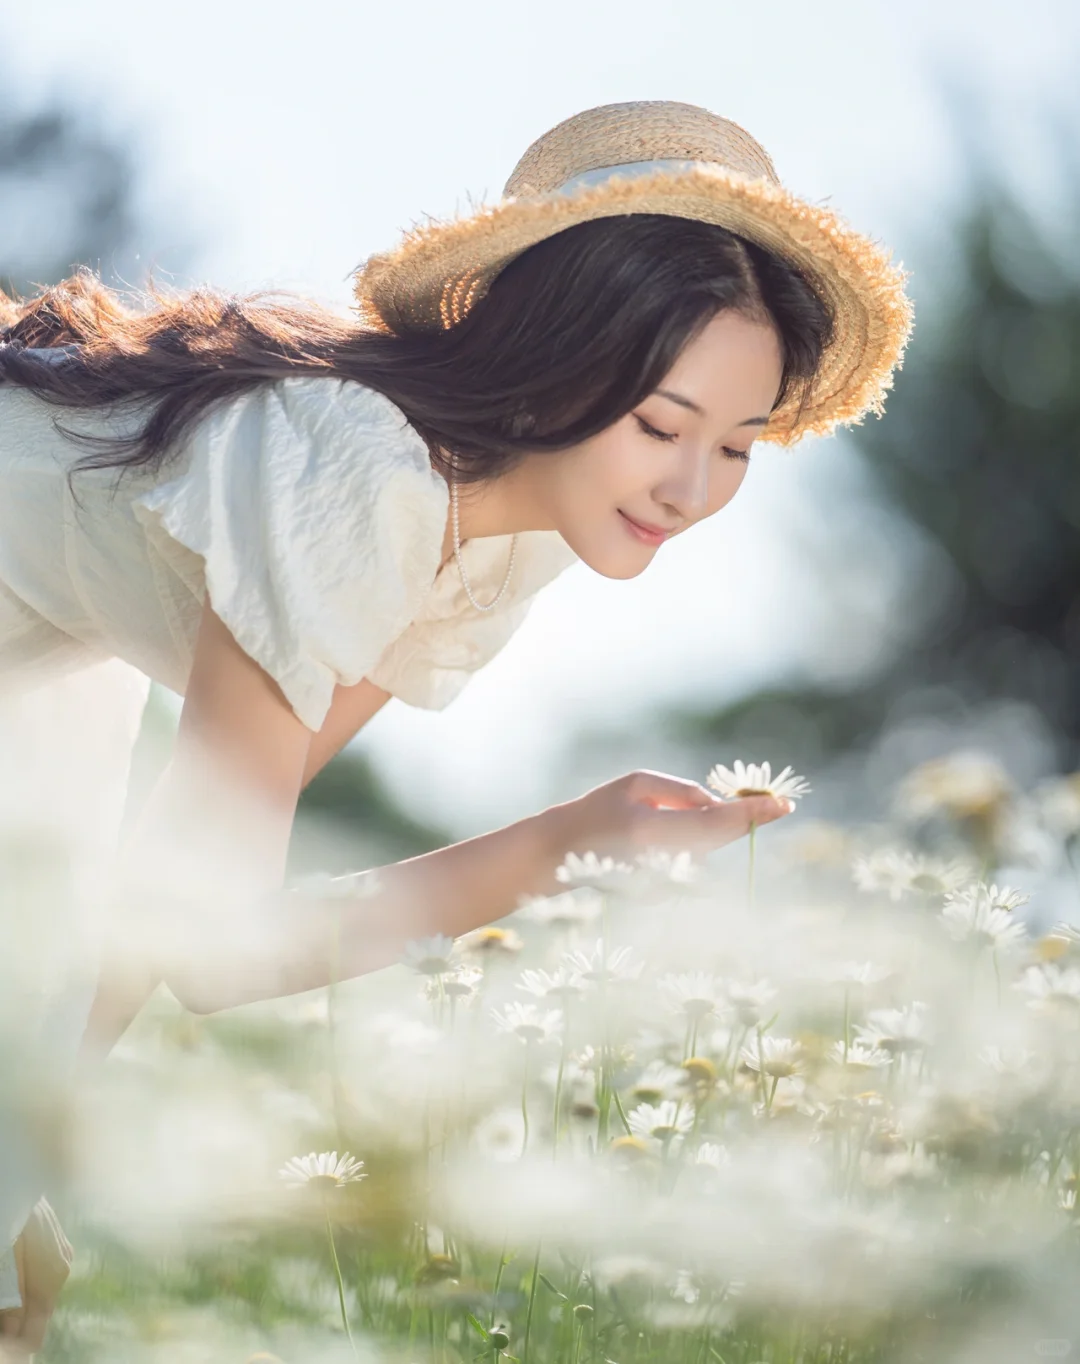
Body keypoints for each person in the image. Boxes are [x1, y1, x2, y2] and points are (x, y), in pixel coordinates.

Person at [0, 98, 912, 1352]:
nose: (691, 491)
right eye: (660, 425)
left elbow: (166, 894)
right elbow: (214, 953)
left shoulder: (498, 554)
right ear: (561, 360)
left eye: (738, 448)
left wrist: (31, 1155)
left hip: (43, 682)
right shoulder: (355, 472)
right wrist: (563, 851)